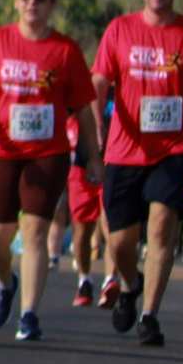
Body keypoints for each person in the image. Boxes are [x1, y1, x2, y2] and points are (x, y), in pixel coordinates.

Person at [0, 0, 99, 341]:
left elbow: (85, 108)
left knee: (35, 231)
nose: (32, 2)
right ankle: (5, 283)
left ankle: (30, 315)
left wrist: (94, 156)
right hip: (1, 150)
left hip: (48, 152)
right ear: (16, 2)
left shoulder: (65, 50)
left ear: (52, 4)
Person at [92, 0, 183, 346]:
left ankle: (149, 316)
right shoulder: (120, 29)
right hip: (124, 149)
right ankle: (130, 284)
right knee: (120, 241)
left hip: (173, 148)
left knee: (162, 225)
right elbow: (99, 81)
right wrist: (96, 125)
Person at [64, 106, 109, 305]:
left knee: (111, 224)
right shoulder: (83, 94)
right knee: (82, 232)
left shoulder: (124, 90)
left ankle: (111, 279)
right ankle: (84, 279)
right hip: (82, 167)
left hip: (114, 164)